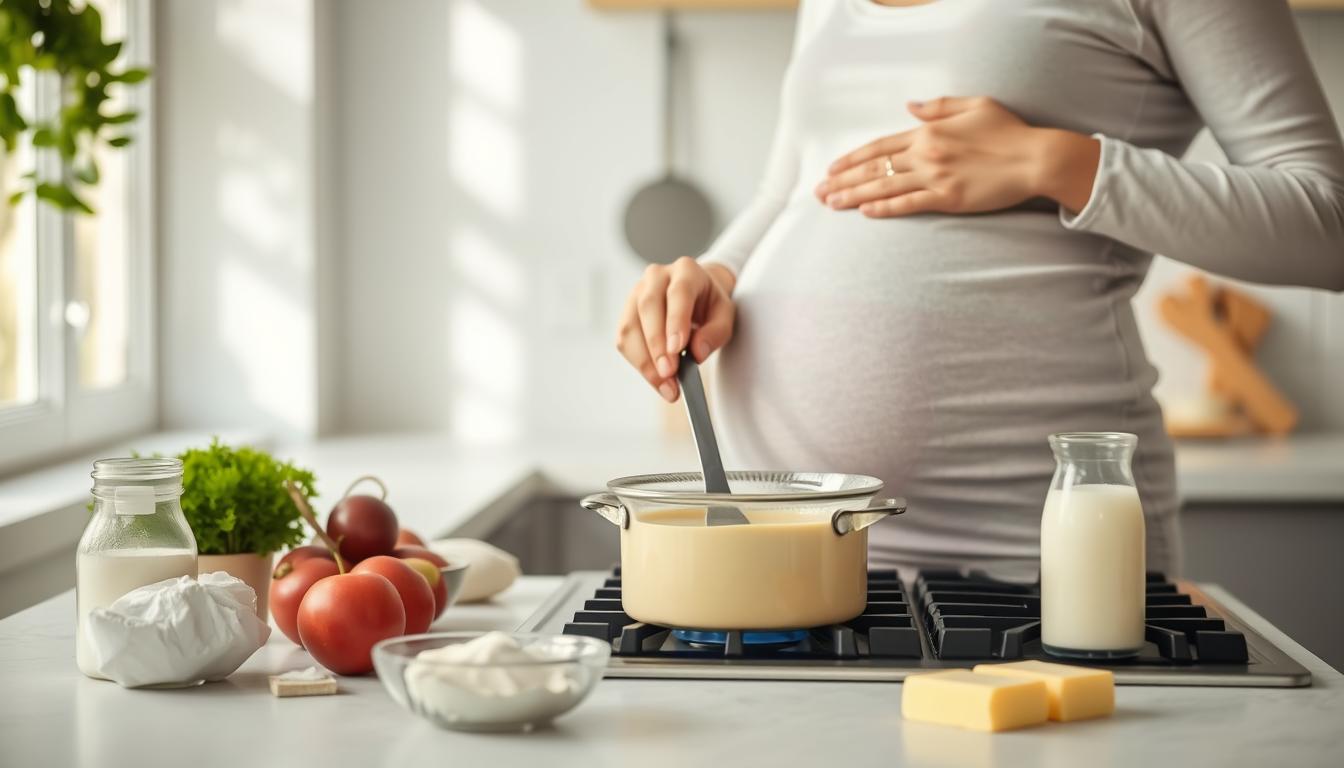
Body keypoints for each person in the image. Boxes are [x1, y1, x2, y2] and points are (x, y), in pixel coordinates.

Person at [614, 0, 1344, 577]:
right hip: (801, 535)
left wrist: (1057, 161)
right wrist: (717, 273)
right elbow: (796, 185)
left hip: (1032, 549)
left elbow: (1329, 225)